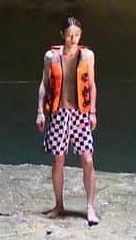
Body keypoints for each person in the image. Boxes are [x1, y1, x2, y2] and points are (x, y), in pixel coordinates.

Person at [35, 14, 98, 226]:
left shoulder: (87, 55)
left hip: (80, 113)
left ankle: (90, 206)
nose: (73, 39)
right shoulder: (50, 56)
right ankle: (59, 204)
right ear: (63, 35)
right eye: (70, 35)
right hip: (59, 112)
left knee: (87, 159)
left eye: (77, 35)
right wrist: (40, 112)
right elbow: (44, 83)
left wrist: (93, 112)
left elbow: (91, 84)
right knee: (59, 160)